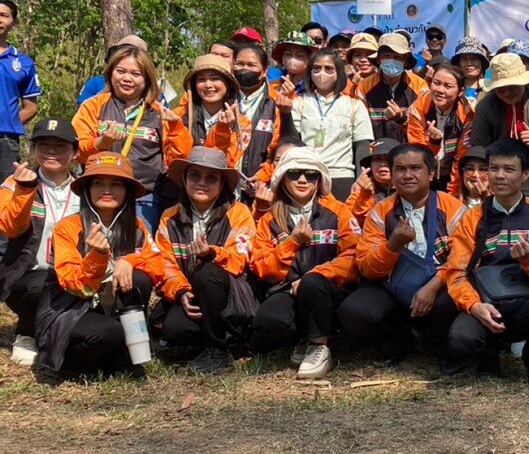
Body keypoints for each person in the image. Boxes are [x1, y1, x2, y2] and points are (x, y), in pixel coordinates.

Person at [441, 139, 529, 382]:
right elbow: (456, 273)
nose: (499, 176)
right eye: (493, 168)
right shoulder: (472, 218)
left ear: (525, 175)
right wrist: (475, 306)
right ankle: (488, 358)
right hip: (485, 302)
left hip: (525, 304)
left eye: (508, 169)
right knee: (461, 339)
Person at [34, 153, 166, 384]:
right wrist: (97, 256)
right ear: (87, 189)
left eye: (116, 183)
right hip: (70, 310)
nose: (107, 190)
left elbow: (157, 264)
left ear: (128, 191)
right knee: (109, 333)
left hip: (112, 310)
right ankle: (70, 365)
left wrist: (129, 260)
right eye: (99, 183)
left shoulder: (136, 227)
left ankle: (127, 356)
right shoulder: (68, 228)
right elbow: (75, 286)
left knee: (140, 278)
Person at [341, 144, 466, 364]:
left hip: (437, 287)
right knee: (354, 311)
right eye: (400, 169)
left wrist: (433, 286)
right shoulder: (380, 212)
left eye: (415, 168)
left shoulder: (453, 208)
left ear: (431, 173)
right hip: (393, 289)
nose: (407, 175)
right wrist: (393, 245)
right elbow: (367, 267)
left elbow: (463, 259)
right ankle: (399, 338)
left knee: (451, 299)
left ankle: (438, 342)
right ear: (392, 175)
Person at [250, 148, 360, 378]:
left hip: (330, 290)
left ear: (320, 180)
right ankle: (304, 337)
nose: (302, 179)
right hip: (286, 290)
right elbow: (260, 266)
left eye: (311, 174)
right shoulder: (269, 219)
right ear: (282, 178)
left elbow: (353, 256)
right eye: (294, 173)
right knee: (268, 321)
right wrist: (292, 243)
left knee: (312, 284)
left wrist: (317, 274)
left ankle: (319, 346)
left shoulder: (339, 211)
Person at [155, 147, 256, 374]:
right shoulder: (168, 217)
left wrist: (212, 254)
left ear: (223, 184)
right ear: (184, 179)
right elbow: (165, 264)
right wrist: (181, 293)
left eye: (211, 178)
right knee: (176, 331)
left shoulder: (239, 212)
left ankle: (217, 349)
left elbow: (240, 258)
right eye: (195, 176)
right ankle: (226, 339)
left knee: (207, 271)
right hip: (192, 296)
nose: (202, 183)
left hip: (231, 296)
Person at [72, 45, 190, 231]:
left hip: (144, 197)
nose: (127, 78)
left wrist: (175, 128)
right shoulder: (92, 106)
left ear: (147, 78)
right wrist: (101, 143)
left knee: (137, 252)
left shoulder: (159, 112)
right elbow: (76, 151)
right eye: (121, 71)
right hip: (99, 195)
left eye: (136, 74)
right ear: (111, 73)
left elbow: (178, 157)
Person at [0, 119, 78, 366]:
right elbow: (9, 227)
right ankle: (25, 332)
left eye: (60, 146)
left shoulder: (86, 187)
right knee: (40, 288)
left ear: (75, 152)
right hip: (29, 275)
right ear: (34, 150)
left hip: (74, 272)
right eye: (44, 145)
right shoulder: (14, 183)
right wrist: (25, 190)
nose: (51, 152)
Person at [470, 53, 529, 201]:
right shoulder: (485, 106)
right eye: (501, 89)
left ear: (523, 82)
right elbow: (479, 148)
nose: (507, 93)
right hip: (495, 176)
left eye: (513, 87)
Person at [290, 49, 374, 200]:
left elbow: (362, 146)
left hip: (341, 177)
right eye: (316, 68)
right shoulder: (298, 103)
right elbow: (292, 140)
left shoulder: (354, 105)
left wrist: (360, 179)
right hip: (307, 175)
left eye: (329, 69)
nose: (322, 73)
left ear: (338, 74)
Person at [232, 43, 288, 203]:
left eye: (251, 65)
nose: (244, 69)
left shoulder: (277, 102)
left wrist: (262, 176)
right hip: (224, 188)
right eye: (240, 64)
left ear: (264, 72)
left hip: (263, 189)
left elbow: (280, 149)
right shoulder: (224, 98)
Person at [407, 63, 474, 194]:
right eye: (436, 83)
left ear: (460, 91)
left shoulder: (467, 114)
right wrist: (434, 143)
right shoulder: (418, 108)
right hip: (424, 176)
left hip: (450, 176)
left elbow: (461, 158)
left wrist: (453, 193)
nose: (440, 90)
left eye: (448, 86)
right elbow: (417, 155)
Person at [356, 32, 428, 141]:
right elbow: (360, 127)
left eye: (398, 57)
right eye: (387, 56)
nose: (392, 60)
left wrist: (402, 119)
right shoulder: (364, 86)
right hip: (376, 152)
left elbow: (422, 129)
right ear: (379, 59)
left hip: (408, 152)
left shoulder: (420, 86)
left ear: (406, 61)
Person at [177, 54, 244, 166]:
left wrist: (223, 130)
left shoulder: (241, 123)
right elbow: (174, 160)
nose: (208, 85)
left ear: (228, 84)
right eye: (201, 79)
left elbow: (229, 163)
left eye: (215, 78)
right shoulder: (178, 116)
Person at [0, 0, 40, 182]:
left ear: (14, 22)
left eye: (4, 15)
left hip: (6, 142)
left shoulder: (23, 63)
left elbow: (31, 107)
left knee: (5, 195)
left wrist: (8, 123)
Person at [344, 138, 399, 225]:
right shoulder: (360, 190)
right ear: (370, 165)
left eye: (388, 158)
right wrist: (364, 195)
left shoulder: (410, 189)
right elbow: (351, 222)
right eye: (377, 159)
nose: (383, 163)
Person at [450, 36, 490, 109]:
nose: (469, 63)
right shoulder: (451, 88)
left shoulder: (490, 88)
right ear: (458, 63)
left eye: (474, 59)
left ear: (481, 62)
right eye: (464, 59)